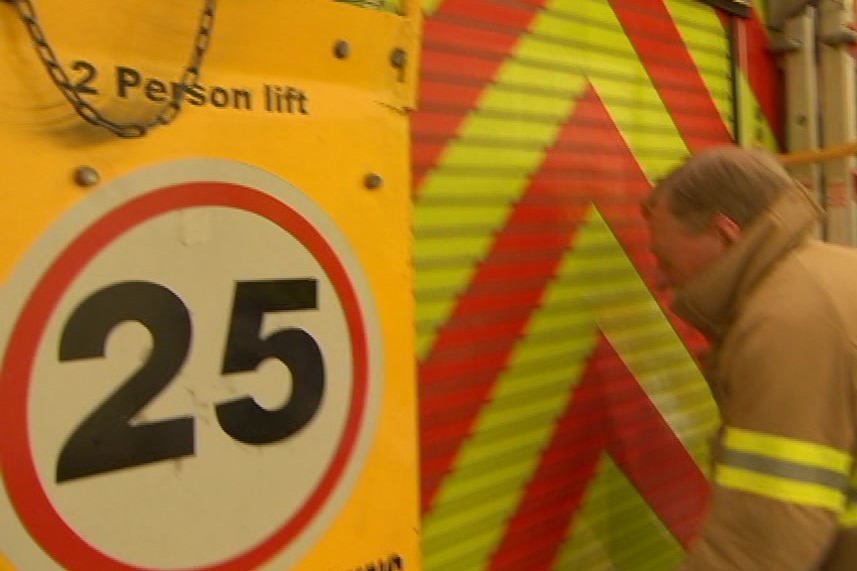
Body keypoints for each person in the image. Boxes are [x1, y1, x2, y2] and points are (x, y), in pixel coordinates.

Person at [642, 145, 857, 571]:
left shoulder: (787, 322)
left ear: (725, 233)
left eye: (664, 257)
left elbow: (760, 540)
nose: (660, 278)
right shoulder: (831, 270)